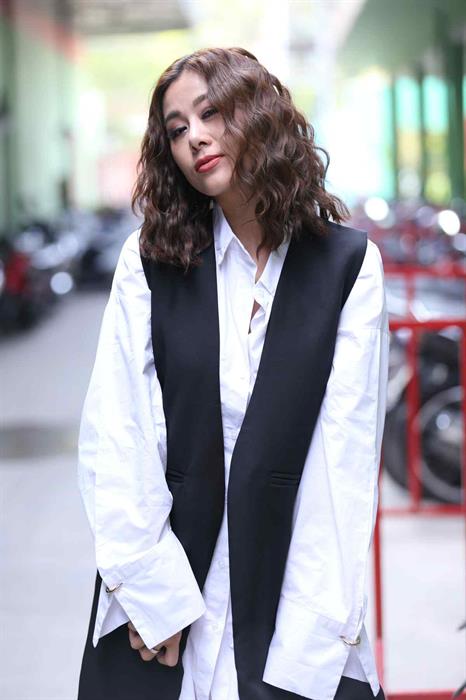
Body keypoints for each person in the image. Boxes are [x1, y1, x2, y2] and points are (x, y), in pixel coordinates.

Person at [76, 47, 389, 700]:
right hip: (170, 580)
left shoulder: (347, 266)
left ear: (259, 114)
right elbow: (119, 429)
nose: (194, 137)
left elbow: (343, 461)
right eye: (177, 128)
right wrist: (152, 593)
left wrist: (306, 636)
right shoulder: (151, 260)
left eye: (210, 112)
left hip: (290, 581)